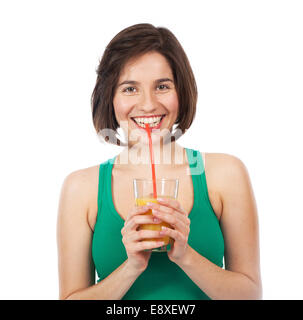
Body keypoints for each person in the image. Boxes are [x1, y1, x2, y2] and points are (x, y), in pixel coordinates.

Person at [56, 23, 262, 300]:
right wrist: (132, 266)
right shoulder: (80, 188)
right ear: (110, 98)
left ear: (182, 91)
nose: (149, 104)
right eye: (130, 89)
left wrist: (185, 255)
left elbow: (250, 295)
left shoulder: (225, 173)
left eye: (162, 86)